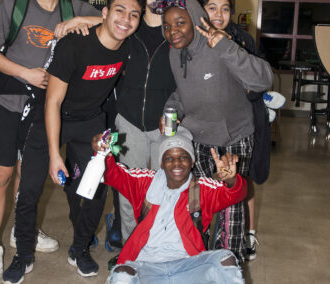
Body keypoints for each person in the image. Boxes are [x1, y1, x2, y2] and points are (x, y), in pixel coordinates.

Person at [0, 0, 101, 280]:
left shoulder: (73, 6)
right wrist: (25, 73)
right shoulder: (14, 5)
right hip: (9, 98)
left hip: (44, 106)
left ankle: (21, 231)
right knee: (2, 174)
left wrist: (76, 22)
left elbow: (114, 21)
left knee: (29, 172)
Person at [161, 0, 273, 262]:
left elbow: (264, 79)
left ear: (196, 20)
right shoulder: (173, 53)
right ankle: (196, 259)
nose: (172, 31)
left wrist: (225, 47)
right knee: (197, 204)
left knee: (231, 208)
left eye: (180, 23)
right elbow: (184, 90)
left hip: (234, 136)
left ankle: (229, 265)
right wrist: (171, 107)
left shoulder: (221, 45)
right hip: (198, 138)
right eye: (167, 26)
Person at [45, 0, 143, 277]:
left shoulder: (128, 46)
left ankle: (79, 247)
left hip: (90, 122)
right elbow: (52, 102)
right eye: (119, 10)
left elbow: (127, 25)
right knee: (32, 184)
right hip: (53, 117)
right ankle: (23, 247)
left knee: (95, 188)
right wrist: (53, 153)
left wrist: (80, 19)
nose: (126, 19)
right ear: (104, 13)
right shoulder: (74, 44)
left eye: (133, 14)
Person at [91, 127, 246, 284]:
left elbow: (234, 194)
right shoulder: (144, 183)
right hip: (145, 267)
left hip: (188, 266)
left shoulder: (201, 189)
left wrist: (231, 180)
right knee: (121, 274)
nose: (176, 163)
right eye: (169, 158)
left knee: (225, 260)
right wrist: (103, 154)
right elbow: (113, 175)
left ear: (192, 161)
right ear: (161, 163)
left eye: (183, 157)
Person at [198, 0, 284, 260]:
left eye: (225, 8)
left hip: (241, 125)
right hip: (205, 127)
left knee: (240, 184)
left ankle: (243, 238)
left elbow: (258, 80)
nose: (219, 14)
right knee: (206, 188)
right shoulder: (192, 37)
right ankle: (202, 243)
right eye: (212, 7)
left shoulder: (242, 39)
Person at [111, 0, 176, 247]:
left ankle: (160, 246)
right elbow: (102, 22)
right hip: (129, 121)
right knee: (129, 190)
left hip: (165, 124)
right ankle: (131, 247)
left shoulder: (177, 29)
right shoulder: (129, 28)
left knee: (166, 189)